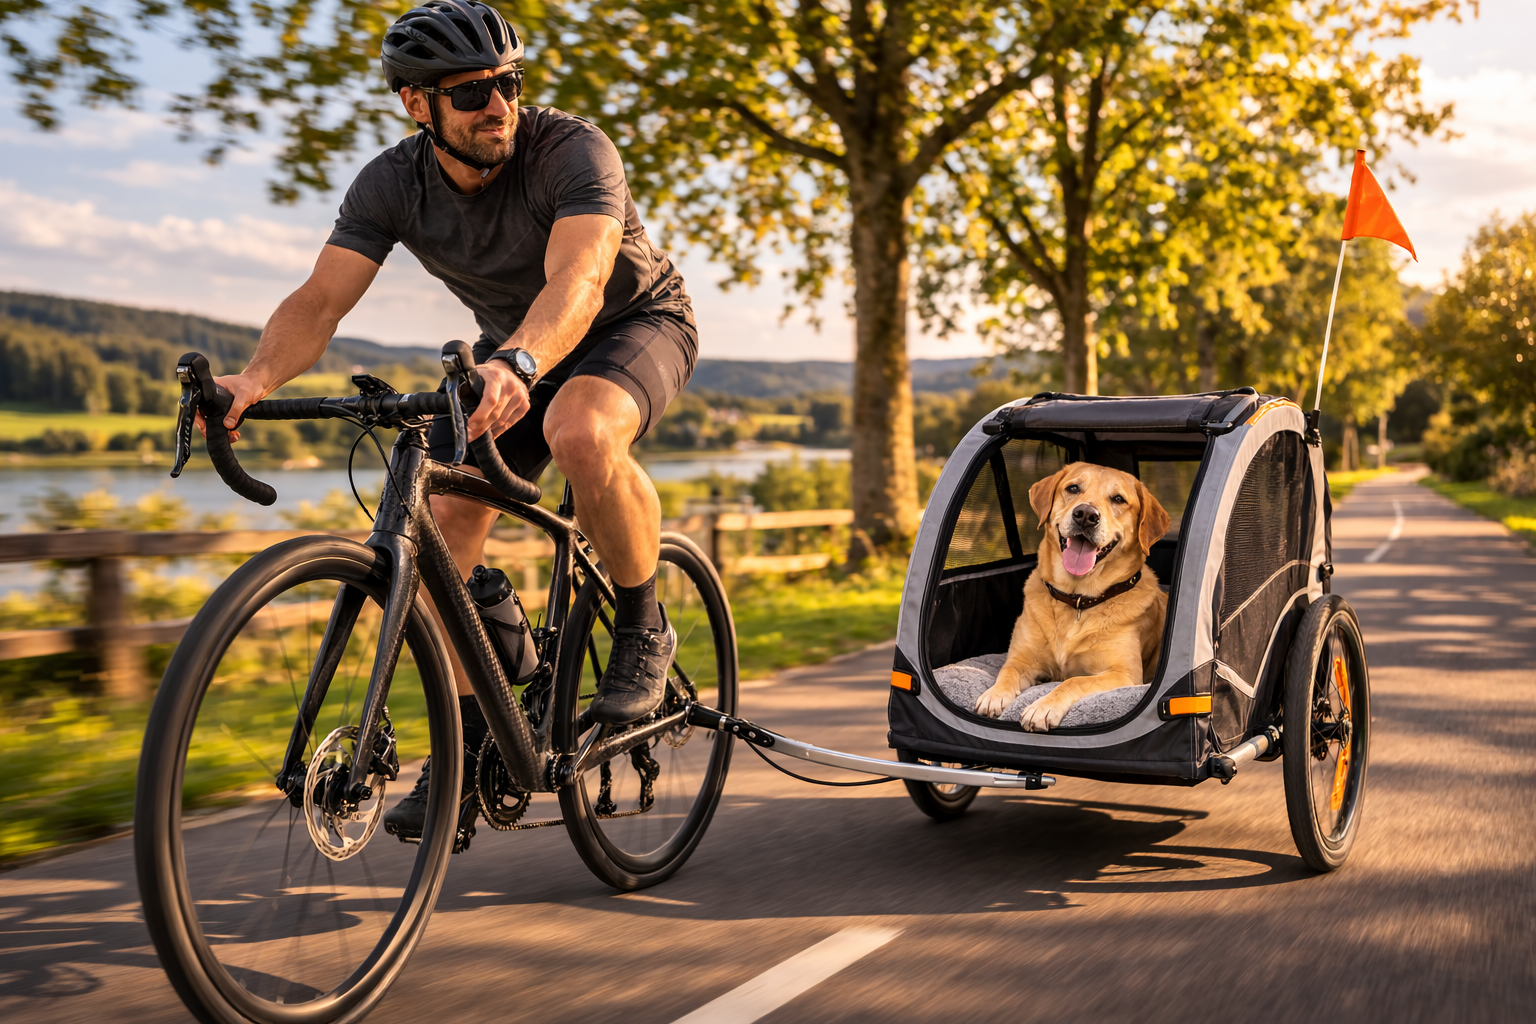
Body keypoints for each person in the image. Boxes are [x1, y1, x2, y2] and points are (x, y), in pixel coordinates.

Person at [201, 0, 697, 845]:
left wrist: (521, 364)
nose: (498, 104)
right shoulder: (392, 183)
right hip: (516, 349)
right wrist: (253, 376)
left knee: (581, 431)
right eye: (471, 93)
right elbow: (321, 299)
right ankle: (476, 736)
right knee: (438, 513)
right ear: (417, 105)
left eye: (508, 83)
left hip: (630, 326)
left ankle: (643, 621)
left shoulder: (572, 150)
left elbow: (578, 280)